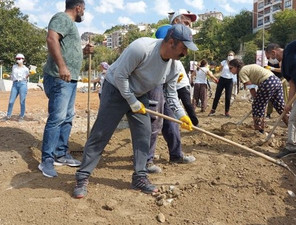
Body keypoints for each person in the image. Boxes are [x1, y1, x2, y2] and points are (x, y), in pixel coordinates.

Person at [73, 24, 198, 198]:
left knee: (143, 133)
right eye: (183, 48)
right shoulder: (141, 48)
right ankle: (82, 176)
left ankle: (140, 176)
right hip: (115, 89)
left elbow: (170, 93)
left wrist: (181, 115)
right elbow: (120, 76)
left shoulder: (174, 66)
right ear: (171, 42)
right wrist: (131, 101)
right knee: (101, 133)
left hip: (139, 93)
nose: (184, 54)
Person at [39, 0, 90, 178]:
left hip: (70, 79)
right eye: (83, 8)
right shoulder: (61, 18)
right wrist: (62, 67)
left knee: (67, 117)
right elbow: (52, 39)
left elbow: (67, 49)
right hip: (59, 77)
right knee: (57, 118)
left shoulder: (70, 25)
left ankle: (61, 154)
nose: (83, 12)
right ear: (78, 7)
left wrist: (85, 51)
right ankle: (46, 159)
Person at [146, 9, 198, 174]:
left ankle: (176, 154)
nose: (189, 27)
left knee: (172, 120)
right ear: (176, 22)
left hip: (168, 84)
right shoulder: (165, 31)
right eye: (187, 23)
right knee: (155, 120)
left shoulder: (182, 40)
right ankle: (146, 161)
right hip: (156, 81)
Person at [228, 60, 288, 133]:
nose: (230, 70)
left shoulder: (241, 72)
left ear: (236, 67)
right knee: (280, 107)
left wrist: (256, 98)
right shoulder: (247, 67)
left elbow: (251, 86)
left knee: (257, 106)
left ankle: (259, 130)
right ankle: (294, 127)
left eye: (231, 68)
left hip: (267, 82)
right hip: (276, 81)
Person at [208, 51, 235, 117]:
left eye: (231, 55)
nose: (230, 56)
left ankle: (227, 111)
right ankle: (213, 109)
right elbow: (219, 70)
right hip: (222, 79)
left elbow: (235, 72)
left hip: (229, 80)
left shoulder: (234, 63)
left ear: (234, 56)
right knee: (217, 95)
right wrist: (220, 68)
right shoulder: (224, 62)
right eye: (229, 55)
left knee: (228, 97)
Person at [3, 54, 30, 122]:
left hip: (23, 84)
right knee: (11, 101)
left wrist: (29, 74)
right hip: (15, 84)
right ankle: (8, 115)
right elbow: (13, 76)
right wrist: (8, 76)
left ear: (23, 59)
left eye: (19, 58)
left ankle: (22, 116)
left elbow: (26, 77)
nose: (18, 60)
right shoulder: (14, 67)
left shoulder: (26, 69)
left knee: (22, 101)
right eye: (17, 59)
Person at [264, 54, 288, 119]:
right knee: (270, 97)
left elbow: (281, 70)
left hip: (281, 79)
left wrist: (272, 68)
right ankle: (268, 114)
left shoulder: (280, 59)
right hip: (273, 79)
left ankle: (286, 113)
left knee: (284, 97)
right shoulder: (268, 60)